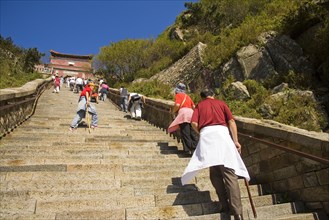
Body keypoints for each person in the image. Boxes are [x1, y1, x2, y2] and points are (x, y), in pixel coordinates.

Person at [181, 88, 250, 220]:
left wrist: (201, 132)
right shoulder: (221, 103)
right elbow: (231, 122)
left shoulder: (200, 105)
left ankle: (224, 204)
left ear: (202, 97)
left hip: (207, 137)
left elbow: (193, 123)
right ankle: (237, 213)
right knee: (230, 174)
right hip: (223, 135)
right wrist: (236, 141)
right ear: (212, 95)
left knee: (215, 173)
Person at [168, 83, 198, 154]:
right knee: (193, 132)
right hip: (191, 114)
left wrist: (173, 112)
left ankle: (188, 149)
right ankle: (195, 148)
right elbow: (194, 106)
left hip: (183, 115)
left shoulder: (178, 95)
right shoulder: (188, 96)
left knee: (185, 132)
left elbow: (177, 105)